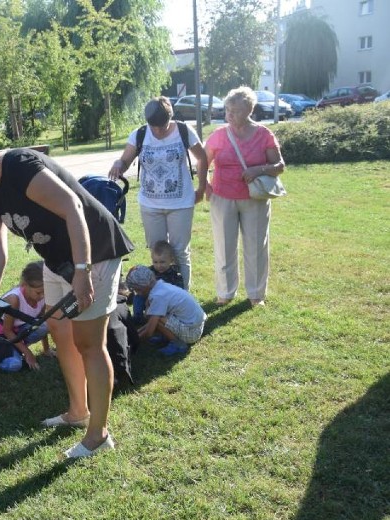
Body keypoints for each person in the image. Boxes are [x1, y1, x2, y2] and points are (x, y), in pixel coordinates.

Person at [0, 138, 135, 459]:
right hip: (57, 261)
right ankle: (77, 411)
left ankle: (98, 434)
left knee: (89, 344)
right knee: (61, 334)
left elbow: (73, 206)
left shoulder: (19, 166)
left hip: (94, 252)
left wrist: (83, 271)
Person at [109, 96, 208, 290]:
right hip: (150, 204)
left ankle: (182, 295)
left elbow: (202, 158)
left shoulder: (183, 131)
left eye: (161, 126)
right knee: (157, 254)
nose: (157, 130)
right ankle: (159, 295)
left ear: (170, 117)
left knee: (179, 252)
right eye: (153, 126)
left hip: (180, 203)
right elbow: (126, 160)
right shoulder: (140, 134)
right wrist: (118, 164)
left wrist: (202, 188)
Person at [205, 86, 285, 307]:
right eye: (227, 110)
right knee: (224, 245)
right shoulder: (219, 135)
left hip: (255, 198)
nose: (229, 115)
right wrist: (205, 185)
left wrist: (257, 170)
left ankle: (256, 294)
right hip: (222, 196)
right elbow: (204, 161)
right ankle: (225, 292)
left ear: (249, 110)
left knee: (256, 246)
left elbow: (279, 166)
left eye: (235, 111)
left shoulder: (264, 134)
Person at [125, 265, 206, 356]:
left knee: (158, 318)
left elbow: (149, 331)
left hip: (192, 333)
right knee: (156, 316)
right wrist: (135, 334)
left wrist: (129, 344)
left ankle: (179, 345)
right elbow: (149, 321)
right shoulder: (160, 285)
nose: (138, 294)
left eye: (137, 290)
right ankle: (167, 336)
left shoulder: (157, 296)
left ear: (144, 286)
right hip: (196, 326)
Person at [0, 260, 52, 373]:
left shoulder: (43, 297)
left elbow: (40, 322)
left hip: (18, 330)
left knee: (46, 324)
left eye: (45, 292)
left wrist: (46, 350)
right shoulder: (14, 299)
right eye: (38, 292)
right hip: (1, 334)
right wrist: (28, 353)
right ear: (25, 285)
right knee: (14, 365)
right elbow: (7, 331)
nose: (42, 296)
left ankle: (17, 348)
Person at [131, 240, 184, 324]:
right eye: (155, 262)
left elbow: (180, 291)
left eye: (162, 262)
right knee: (138, 297)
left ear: (171, 260)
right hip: (149, 298)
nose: (159, 265)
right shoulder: (150, 271)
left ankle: (161, 322)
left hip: (166, 302)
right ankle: (138, 317)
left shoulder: (175, 274)